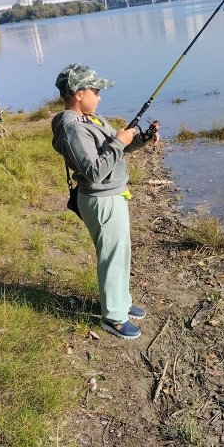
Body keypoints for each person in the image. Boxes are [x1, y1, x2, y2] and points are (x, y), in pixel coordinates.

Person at [51, 63, 158, 340]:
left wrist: (139, 140)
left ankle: (120, 302)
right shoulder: (72, 128)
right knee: (111, 256)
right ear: (78, 93)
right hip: (101, 200)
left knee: (120, 254)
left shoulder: (92, 119)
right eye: (95, 91)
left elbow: (116, 153)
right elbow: (94, 171)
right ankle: (114, 317)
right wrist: (119, 141)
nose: (99, 97)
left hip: (114, 195)